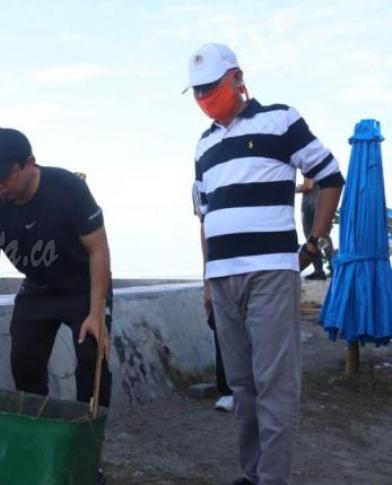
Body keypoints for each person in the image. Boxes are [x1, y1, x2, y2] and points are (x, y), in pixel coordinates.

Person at [187, 43, 343, 485]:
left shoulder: (281, 119)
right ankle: (253, 474)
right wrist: (206, 278)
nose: (203, 98)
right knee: (242, 386)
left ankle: (272, 479)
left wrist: (313, 243)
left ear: (237, 79)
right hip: (222, 278)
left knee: (274, 383)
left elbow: (330, 175)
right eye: (197, 91)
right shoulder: (204, 145)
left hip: (270, 272)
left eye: (211, 87)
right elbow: (206, 216)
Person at [0, 128, 113, 408]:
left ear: (29, 164)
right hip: (38, 290)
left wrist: (96, 313)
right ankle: (39, 429)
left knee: (92, 356)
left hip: (83, 287)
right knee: (24, 363)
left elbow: (98, 249)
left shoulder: (68, 188)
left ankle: (88, 434)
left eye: (3, 175)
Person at [193, 183, 233, 412]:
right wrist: (207, 280)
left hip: (258, 263)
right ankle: (228, 390)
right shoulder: (204, 173)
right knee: (222, 325)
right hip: (220, 268)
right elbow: (204, 226)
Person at [296, 177, 332, 279]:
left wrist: (295, 189)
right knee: (323, 236)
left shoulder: (310, 167)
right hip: (320, 201)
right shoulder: (322, 168)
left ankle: (319, 270)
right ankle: (333, 267)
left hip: (310, 204)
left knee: (311, 237)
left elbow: (308, 186)